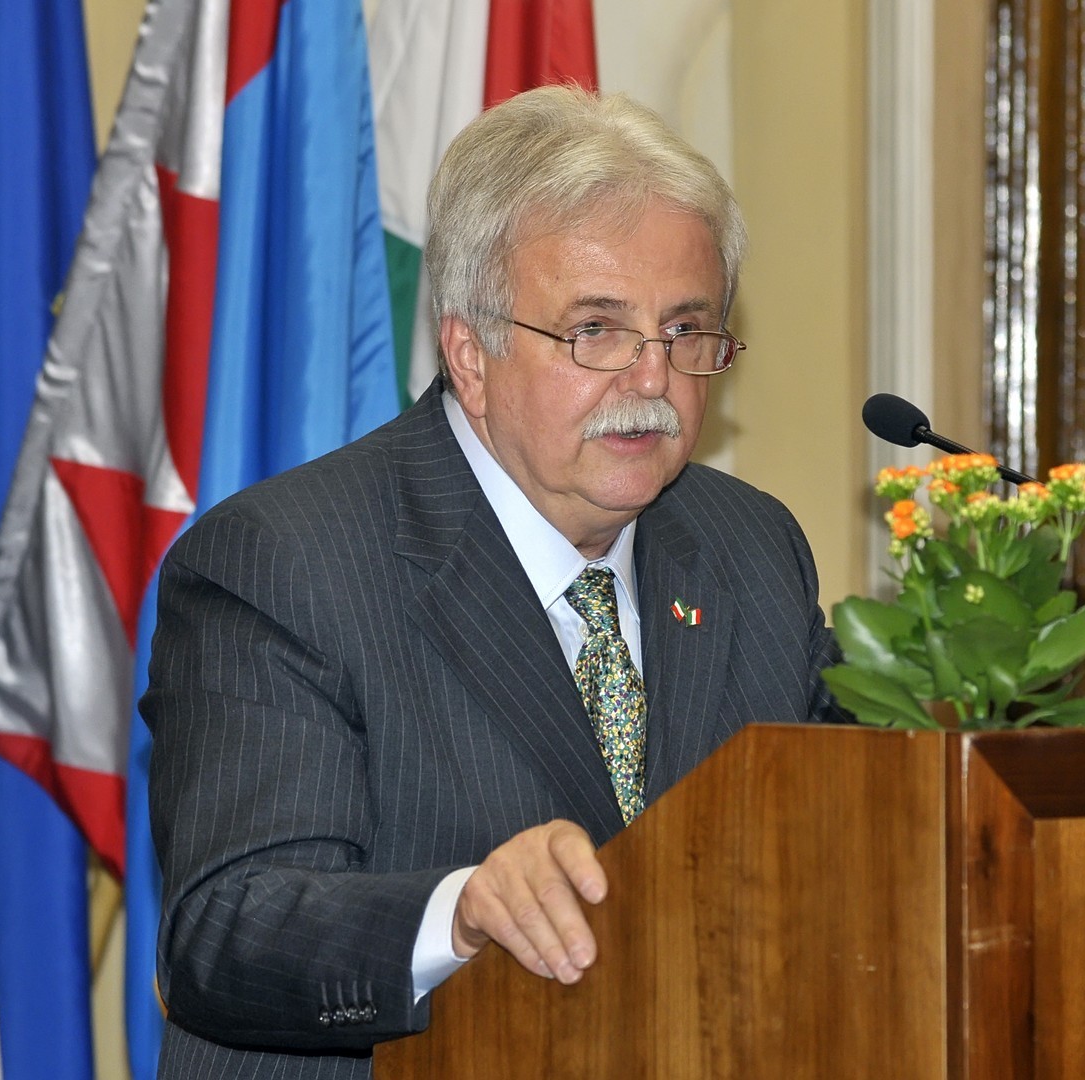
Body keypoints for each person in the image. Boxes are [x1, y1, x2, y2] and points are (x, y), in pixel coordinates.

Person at [141, 85, 844, 1078]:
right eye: (596, 331)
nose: (653, 380)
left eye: (686, 331)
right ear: (471, 354)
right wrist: (459, 912)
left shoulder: (750, 547)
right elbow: (231, 929)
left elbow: (855, 816)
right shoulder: (285, 561)